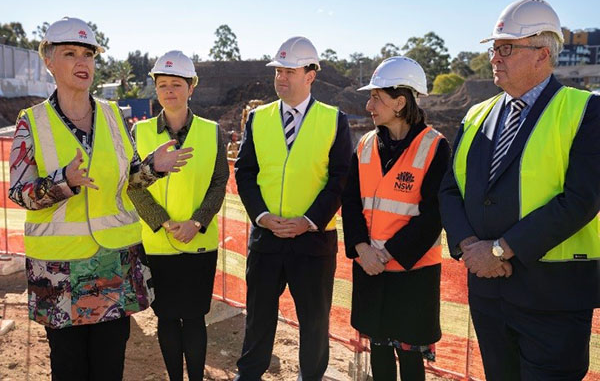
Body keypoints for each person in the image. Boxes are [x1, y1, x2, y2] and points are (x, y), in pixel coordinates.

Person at [8, 17, 193, 381]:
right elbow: (19, 193)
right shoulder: (32, 122)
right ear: (49, 60)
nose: (83, 63)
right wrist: (64, 181)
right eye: (71, 53)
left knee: (110, 366)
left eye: (88, 55)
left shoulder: (113, 117)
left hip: (113, 266)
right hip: (59, 274)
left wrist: (153, 167)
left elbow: (128, 180)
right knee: (69, 367)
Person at [439, 0, 600, 380]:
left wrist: (500, 249)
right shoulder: (476, 114)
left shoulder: (586, 111)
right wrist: (467, 247)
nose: (495, 57)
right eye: (494, 48)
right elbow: (449, 190)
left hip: (553, 299)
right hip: (488, 294)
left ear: (543, 54)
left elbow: (582, 200)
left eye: (506, 47)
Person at [234, 36, 352, 381]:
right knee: (258, 318)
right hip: (266, 240)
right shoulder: (258, 118)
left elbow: (340, 179)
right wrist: (262, 217)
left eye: (289, 71)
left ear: (310, 75)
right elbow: (245, 172)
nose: (281, 78)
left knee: (314, 323)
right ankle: (250, 375)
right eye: (278, 71)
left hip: (312, 242)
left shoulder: (334, 120)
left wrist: (309, 221)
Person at [342, 57, 450, 380]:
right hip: (370, 269)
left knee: (411, 359)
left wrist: (386, 254)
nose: (369, 104)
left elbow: (434, 214)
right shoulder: (364, 145)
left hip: (412, 274)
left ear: (401, 102)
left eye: (377, 97)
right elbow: (350, 203)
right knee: (379, 354)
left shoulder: (435, 146)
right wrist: (363, 250)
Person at [127, 50, 228, 381]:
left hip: (199, 241)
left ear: (191, 87)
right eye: (163, 84)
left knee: (195, 317)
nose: (169, 91)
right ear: (156, 89)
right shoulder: (139, 133)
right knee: (167, 318)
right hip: (158, 242)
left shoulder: (212, 132)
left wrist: (197, 222)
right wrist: (163, 221)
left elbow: (218, 182)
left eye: (177, 84)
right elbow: (132, 185)